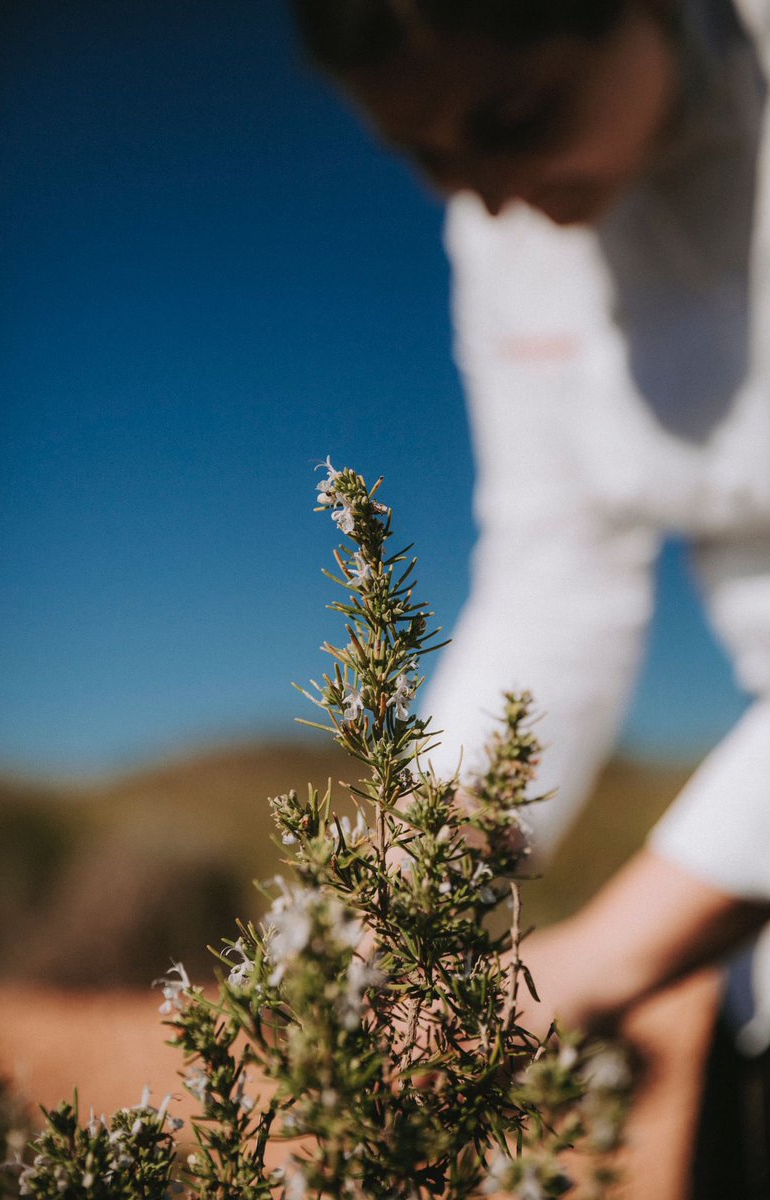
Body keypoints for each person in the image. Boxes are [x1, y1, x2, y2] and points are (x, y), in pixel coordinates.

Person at [289, 0, 770, 1191]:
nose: (488, 192)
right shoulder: (500, 232)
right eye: (430, 158)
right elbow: (556, 585)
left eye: (512, 115)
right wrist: (405, 901)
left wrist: (592, 965)